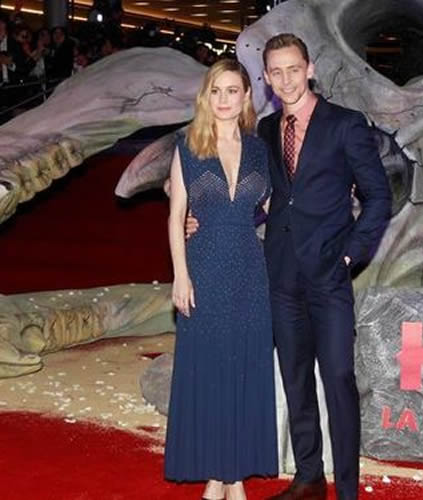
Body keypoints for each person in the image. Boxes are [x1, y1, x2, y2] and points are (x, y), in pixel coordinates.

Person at [187, 34, 392, 500]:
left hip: (329, 274)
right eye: (276, 72)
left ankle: (347, 490)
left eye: (293, 69)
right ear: (266, 79)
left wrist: (350, 253)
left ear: (310, 68)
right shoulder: (264, 130)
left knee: (338, 378)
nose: (286, 80)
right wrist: (208, 218)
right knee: (296, 379)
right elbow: (263, 198)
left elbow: (379, 197)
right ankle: (308, 477)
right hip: (279, 274)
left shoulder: (345, 124)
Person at [165, 58, 278, 500]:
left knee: (243, 369)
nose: (224, 99)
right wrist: (180, 275)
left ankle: (229, 478)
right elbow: (176, 216)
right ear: (205, 97)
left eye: (233, 90)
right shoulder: (188, 146)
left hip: (249, 270)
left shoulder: (259, 150)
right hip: (204, 268)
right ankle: (220, 476)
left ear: (247, 96)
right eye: (216, 91)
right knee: (211, 371)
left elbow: (269, 207)